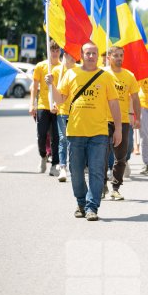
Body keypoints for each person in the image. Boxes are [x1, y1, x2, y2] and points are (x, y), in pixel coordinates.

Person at [55, 41, 122, 221]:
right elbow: (59, 101)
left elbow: (114, 103)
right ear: (81, 55)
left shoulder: (105, 76)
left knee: (96, 171)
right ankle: (81, 202)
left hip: (99, 132)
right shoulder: (71, 74)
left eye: (94, 53)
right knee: (76, 171)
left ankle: (92, 207)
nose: (91, 56)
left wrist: (118, 129)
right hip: (75, 131)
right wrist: (52, 85)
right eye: (87, 53)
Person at [104, 46, 141, 200]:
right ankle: (101, 186)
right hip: (103, 120)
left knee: (121, 157)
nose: (119, 58)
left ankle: (115, 187)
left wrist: (137, 118)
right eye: (116, 55)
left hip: (123, 121)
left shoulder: (129, 76)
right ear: (109, 57)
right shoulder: (102, 74)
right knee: (101, 156)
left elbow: (135, 98)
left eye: (121, 55)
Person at [30, 40, 62, 176]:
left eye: (56, 50)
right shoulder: (40, 66)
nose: (54, 53)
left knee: (56, 137)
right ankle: (43, 156)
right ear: (48, 51)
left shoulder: (62, 68)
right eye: (52, 50)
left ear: (60, 52)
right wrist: (32, 104)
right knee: (41, 135)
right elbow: (34, 86)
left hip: (57, 107)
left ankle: (55, 164)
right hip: (43, 105)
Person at [49, 52, 77, 182]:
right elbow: (52, 90)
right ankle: (63, 168)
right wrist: (52, 104)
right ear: (63, 55)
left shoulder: (79, 70)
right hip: (62, 110)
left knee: (75, 140)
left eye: (71, 54)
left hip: (77, 112)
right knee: (63, 139)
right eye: (66, 54)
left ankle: (76, 166)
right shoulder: (56, 70)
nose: (69, 56)